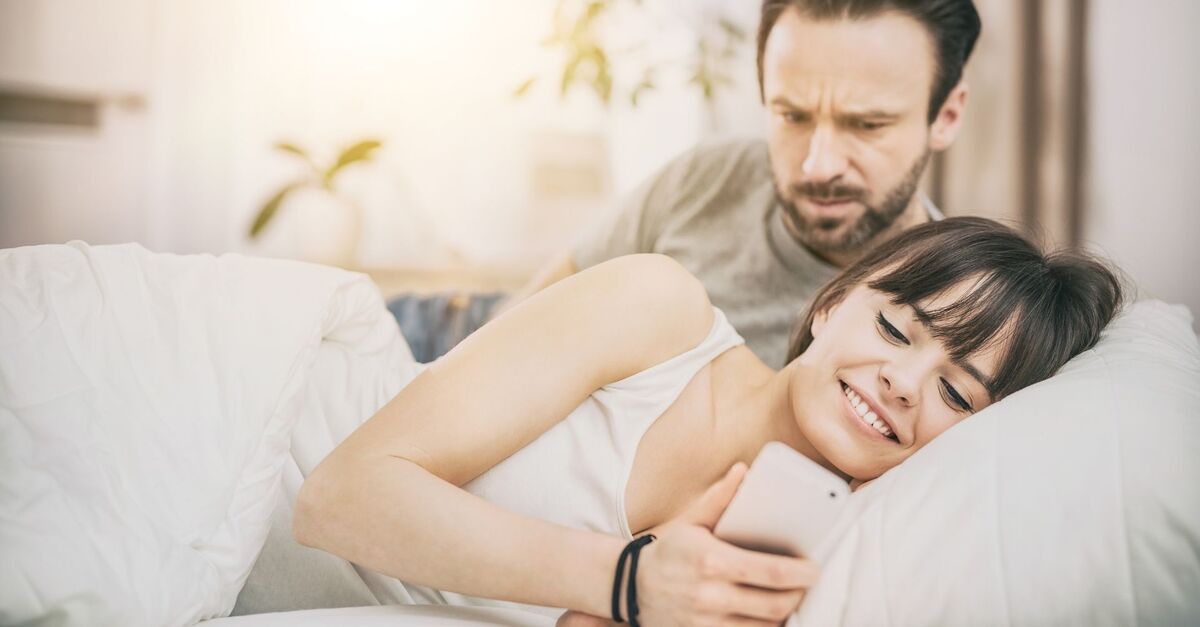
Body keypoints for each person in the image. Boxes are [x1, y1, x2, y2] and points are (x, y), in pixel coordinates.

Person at [294, 217, 1123, 626]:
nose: (902, 383)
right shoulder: (657, 310)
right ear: (832, 303)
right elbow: (338, 496)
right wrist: (627, 577)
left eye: (958, 392)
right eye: (896, 328)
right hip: (264, 446)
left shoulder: (813, 567)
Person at [493, 0, 983, 369]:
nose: (818, 165)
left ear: (946, 115)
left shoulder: (947, 326)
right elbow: (513, 328)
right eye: (792, 115)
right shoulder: (707, 176)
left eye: (867, 125)